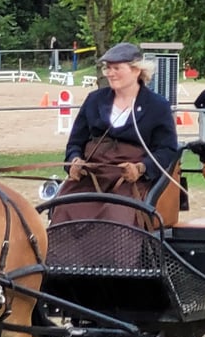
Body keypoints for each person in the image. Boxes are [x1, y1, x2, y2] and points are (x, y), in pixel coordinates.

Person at [51, 42, 178, 227]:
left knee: (117, 217)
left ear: (136, 70)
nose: (110, 73)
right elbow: (75, 143)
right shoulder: (95, 100)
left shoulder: (157, 106)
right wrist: (74, 161)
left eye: (117, 68)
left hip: (130, 181)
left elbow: (167, 150)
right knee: (65, 207)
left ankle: (113, 256)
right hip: (91, 176)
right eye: (108, 68)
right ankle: (60, 257)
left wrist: (141, 168)